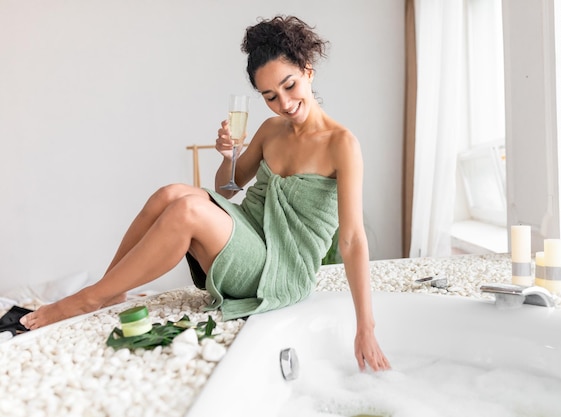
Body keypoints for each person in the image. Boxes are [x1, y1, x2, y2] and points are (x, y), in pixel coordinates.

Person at [21, 15, 390, 371]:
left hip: (279, 269)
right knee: (171, 194)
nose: (284, 103)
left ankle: (88, 298)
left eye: (289, 85)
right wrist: (229, 156)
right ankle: (110, 291)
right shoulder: (271, 129)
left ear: (308, 70)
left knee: (188, 212)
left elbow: (353, 239)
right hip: (249, 234)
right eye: (270, 96)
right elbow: (226, 187)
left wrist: (366, 327)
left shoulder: (342, 144)